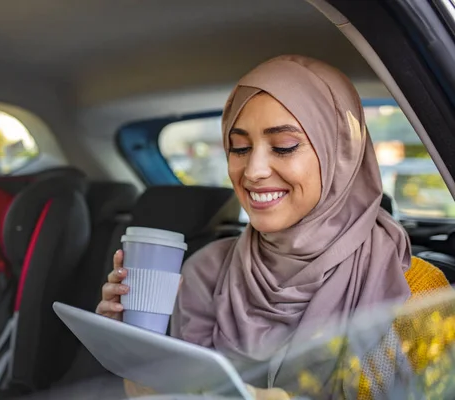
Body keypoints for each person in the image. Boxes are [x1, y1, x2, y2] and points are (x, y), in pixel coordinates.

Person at [96, 55, 453, 399]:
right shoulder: (205, 272)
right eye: (239, 148)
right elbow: (158, 394)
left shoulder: (416, 292)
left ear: (340, 153)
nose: (253, 171)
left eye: (284, 146)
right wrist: (130, 345)